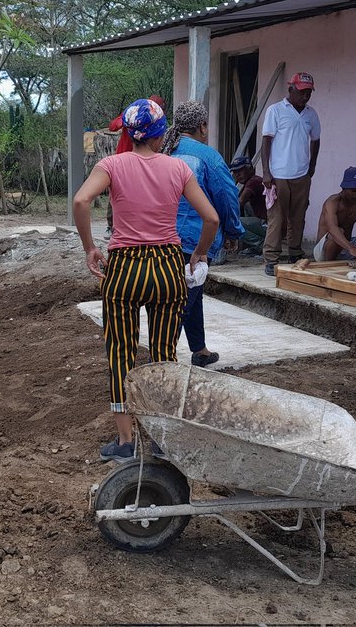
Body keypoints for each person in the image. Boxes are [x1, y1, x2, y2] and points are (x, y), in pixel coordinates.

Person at [73, 98, 219, 461]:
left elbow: (80, 201)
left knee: (121, 351)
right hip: (168, 266)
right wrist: (199, 253)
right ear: (159, 134)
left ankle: (125, 444)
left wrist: (91, 247)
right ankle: (160, 439)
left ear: (128, 133)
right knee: (164, 356)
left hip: (124, 267)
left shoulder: (111, 165)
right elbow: (212, 218)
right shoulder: (178, 169)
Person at [162, 101, 244, 367]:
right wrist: (233, 231)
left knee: (191, 293)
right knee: (183, 300)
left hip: (162, 238)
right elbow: (226, 196)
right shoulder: (208, 157)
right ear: (202, 126)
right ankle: (163, 360)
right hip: (195, 239)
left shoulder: (164, 152)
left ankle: (200, 350)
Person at [261, 72, 321, 275]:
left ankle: (295, 252)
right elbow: (266, 141)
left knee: (298, 217)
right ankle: (271, 258)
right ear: (291, 90)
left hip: (301, 174)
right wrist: (266, 172)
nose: (305, 97)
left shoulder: (311, 114)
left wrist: (312, 166)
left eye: (308, 93)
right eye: (302, 92)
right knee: (277, 218)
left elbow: (316, 140)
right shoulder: (276, 111)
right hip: (278, 174)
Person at [106, 95, 166, 234]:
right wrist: (127, 119)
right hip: (124, 159)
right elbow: (113, 126)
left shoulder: (155, 126)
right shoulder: (132, 115)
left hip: (143, 159)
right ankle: (112, 225)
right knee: (116, 192)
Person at [313, 166, 356, 264]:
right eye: (353, 191)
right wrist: (351, 248)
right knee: (339, 231)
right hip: (324, 251)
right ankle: (328, 265)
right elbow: (332, 228)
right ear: (344, 188)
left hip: (347, 246)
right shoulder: (332, 202)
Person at [230, 156, 267, 255]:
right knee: (247, 207)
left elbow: (239, 203)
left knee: (233, 223)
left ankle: (260, 244)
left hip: (268, 224)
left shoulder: (253, 182)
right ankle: (256, 245)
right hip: (269, 223)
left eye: (241, 171)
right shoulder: (253, 180)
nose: (237, 175)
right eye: (235, 172)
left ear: (250, 169)